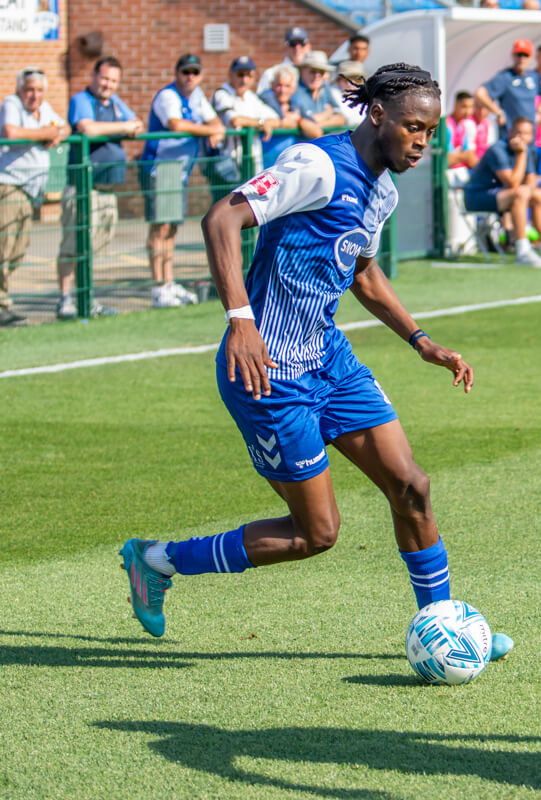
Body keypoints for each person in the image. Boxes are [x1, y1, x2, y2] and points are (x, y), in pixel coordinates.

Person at [118, 63, 514, 665]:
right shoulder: (317, 166)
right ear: (377, 114)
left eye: (430, 133)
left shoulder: (382, 190)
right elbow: (221, 218)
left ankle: (444, 624)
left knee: (411, 486)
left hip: (330, 360)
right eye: (413, 127)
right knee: (315, 535)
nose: (421, 142)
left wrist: (419, 338)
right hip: (267, 372)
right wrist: (240, 322)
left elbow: (360, 269)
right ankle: (155, 560)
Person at [56, 56, 142, 320]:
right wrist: (122, 128)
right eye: (104, 78)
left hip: (107, 189)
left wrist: (126, 127)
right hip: (84, 189)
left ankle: (88, 298)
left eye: (113, 80)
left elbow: (137, 124)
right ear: (94, 76)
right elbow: (87, 128)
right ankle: (66, 300)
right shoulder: (81, 100)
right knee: (74, 245)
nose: (108, 85)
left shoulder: (115, 103)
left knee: (95, 248)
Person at [141, 53, 224, 308]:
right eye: (185, 72)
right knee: (161, 228)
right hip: (162, 168)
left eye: (194, 73)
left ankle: (168, 281)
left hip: (180, 171)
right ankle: (159, 287)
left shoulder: (197, 96)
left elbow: (215, 121)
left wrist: (215, 127)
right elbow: (175, 124)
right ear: (176, 73)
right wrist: (210, 130)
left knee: (172, 229)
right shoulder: (168, 96)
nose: (190, 77)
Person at [0, 67, 67, 326]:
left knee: (18, 250)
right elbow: (12, 133)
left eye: (39, 90)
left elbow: (66, 127)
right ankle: (2, 305)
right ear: (20, 89)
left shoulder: (44, 109)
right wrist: (45, 134)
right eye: (29, 89)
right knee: (4, 249)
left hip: (29, 191)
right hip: (9, 186)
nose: (34, 95)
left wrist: (56, 135)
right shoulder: (12, 104)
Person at [464, 116, 541, 267]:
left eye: (526, 134)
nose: (522, 137)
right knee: (520, 193)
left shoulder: (526, 150)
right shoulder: (498, 150)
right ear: (510, 132)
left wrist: (524, 156)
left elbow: (531, 184)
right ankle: (522, 251)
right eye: (518, 133)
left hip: (504, 196)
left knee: (537, 195)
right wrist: (522, 154)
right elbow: (512, 182)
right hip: (477, 197)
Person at [211, 56, 280, 194]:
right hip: (225, 163)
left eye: (249, 75)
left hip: (249, 165)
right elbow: (236, 120)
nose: (244, 79)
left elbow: (276, 119)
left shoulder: (250, 97)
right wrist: (261, 123)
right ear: (231, 74)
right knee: (223, 208)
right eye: (240, 74)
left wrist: (263, 123)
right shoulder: (222, 94)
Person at [475, 39, 541, 140]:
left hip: (530, 138)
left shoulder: (534, 77)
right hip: (510, 137)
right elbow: (480, 93)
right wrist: (498, 112)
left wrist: (539, 112)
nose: (522, 59)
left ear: (531, 58)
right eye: (519, 55)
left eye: (525, 55)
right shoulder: (505, 77)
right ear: (513, 56)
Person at [258, 67, 322, 167]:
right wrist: (288, 122)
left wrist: (298, 120)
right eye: (279, 85)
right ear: (272, 85)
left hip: (290, 165)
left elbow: (317, 131)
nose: (282, 90)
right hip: (266, 165)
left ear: (294, 88)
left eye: (287, 86)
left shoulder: (296, 104)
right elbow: (284, 120)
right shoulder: (264, 99)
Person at [294, 51, 346, 129]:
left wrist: (319, 124)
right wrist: (328, 113)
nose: (317, 76)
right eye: (313, 71)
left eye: (321, 72)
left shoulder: (325, 86)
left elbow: (341, 119)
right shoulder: (293, 89)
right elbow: (305, 121)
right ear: (301, 70)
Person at [259, 26, 311, 95]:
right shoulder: (271, 74)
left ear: (308, 46)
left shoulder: (315, 74)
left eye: (301, 43)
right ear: (285, 47)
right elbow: (262, 99)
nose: (297, 48)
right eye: (293, 44)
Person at [445, 91, 479, 177]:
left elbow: (469, 155)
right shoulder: (447, 124)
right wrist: (465, 157)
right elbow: (447, 160)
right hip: (447, 173)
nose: (468, 111)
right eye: (464, 107)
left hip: (461, 171)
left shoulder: (466, 125)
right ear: (455, 105)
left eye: (471, 107)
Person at [333, 60, 367, 127]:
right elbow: (348, 119)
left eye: (357, 79)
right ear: (338, 80)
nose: (352, 83)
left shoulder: (365, 94)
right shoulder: (332, 93)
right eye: (347, 79)